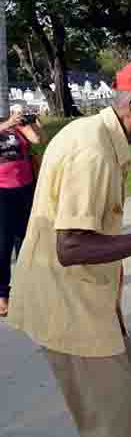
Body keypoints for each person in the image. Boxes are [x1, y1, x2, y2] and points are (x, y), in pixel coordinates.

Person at [7, 63, 131, 437]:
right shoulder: (93, 151)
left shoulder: (98, 137)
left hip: (91, 304)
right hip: (71, 311)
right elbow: (71, 246)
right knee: (114, 426)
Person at [0, 105, 43, 316]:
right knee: (3, 245)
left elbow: (37, 140)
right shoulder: (5, 125)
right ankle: (2, 295)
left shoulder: (16, 127)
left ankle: (27, 290)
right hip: (2, 193)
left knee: (25, 243)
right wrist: (6, 124)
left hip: (25, 190)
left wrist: (32, 123)